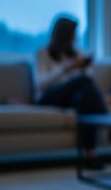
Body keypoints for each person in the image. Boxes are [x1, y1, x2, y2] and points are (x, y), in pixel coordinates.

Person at [34, 16, 107, 158]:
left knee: (83, 101)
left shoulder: (77, 54)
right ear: (64, 35)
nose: (76, 37)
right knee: (83, 82)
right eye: (73, 34)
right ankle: (106, 117)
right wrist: (65, 68)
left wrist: (84, 68)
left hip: (72, 97)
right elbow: (41, 84)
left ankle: (89, 154)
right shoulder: (42, 54)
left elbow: (88, 84)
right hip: (50, 96)